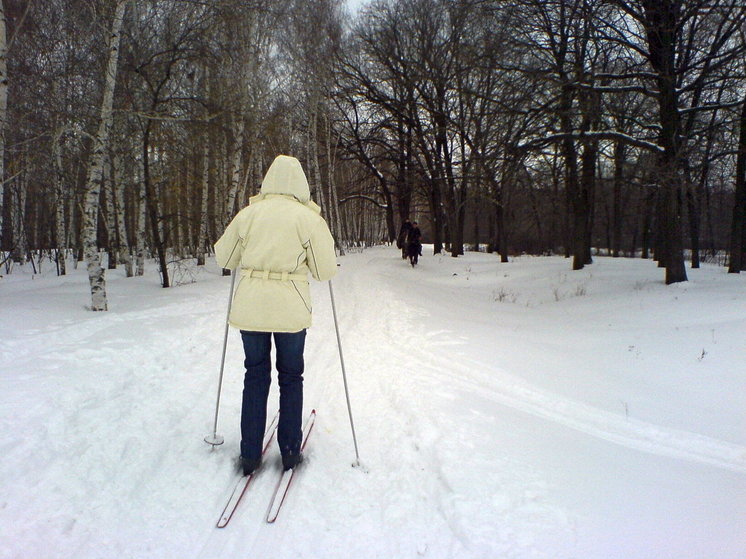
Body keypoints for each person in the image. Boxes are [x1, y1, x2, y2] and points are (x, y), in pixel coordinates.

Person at [214, 154, 337, 474]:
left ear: (268, 181)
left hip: (251, 308)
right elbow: (325, 271)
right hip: (290, 310)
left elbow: (224, 257)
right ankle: (290, 450)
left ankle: (250, 453)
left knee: (255, 375)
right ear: (302, 185)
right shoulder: (309, 219)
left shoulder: (248, 215)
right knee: (291, 377)